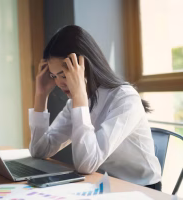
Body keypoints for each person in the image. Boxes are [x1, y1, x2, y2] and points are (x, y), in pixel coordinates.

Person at [29, 25, 162, 190]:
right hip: (103, 184)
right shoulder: (76, 103)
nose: (59, 83)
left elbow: (86, 164)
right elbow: (40, 151)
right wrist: (41, 95)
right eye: (54, 76)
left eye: (64, 75)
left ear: (84, 65)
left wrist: (79, 98)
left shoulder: (125, 99)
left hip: (140, 188)